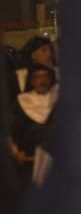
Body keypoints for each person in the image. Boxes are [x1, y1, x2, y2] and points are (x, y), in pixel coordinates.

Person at [10, 64, 58, 195]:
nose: (42, 81)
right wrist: (17, 151)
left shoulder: (58, 100)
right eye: (37, 77)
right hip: (28, 162)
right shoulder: (22, 101)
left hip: (55, 162)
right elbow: (13, 131)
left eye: (45, 76)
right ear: (31, 81)